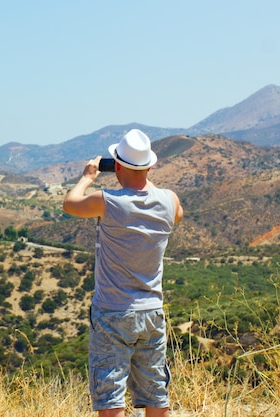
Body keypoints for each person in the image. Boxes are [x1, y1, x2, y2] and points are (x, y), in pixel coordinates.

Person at [63, 129, 183, 417]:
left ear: (116, 165)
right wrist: (142, 174)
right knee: (156, 393)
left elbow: (70, 203)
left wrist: (88, 177)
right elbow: (176, 213)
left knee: (111, 396)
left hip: (113, 312)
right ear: (149, 166)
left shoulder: (107, 201)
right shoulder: (170, 201)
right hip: (152, 312)